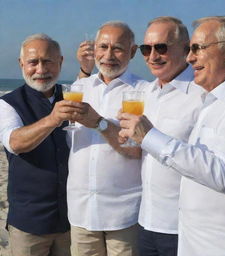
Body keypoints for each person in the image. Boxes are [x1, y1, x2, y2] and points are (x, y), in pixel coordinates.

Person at [119, 16, 225, 255]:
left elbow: (223, 172)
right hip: (190, 239)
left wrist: (150, 136)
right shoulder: (214, 100)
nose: (191, 57)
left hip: (224, 246)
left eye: (198, 49)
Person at [66, 21, 145, 256]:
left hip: (123, 213)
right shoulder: (80, 86)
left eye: (118, 48)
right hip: (81, 211)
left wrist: (99, 123)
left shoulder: (144, 91)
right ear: (95, 49)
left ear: (132, 51)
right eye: (103, 47)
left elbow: (137, 149)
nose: (108, 55)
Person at [134, 17, 204, 256]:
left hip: (183, 227)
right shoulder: (145, 92)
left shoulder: (202, 94)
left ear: (186, 49)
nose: (153, 56)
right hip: (145, 220)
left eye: (161, 47)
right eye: (146, 49)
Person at [0, 34, 75, 256]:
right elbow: (15, 143)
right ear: (21, 64)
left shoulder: (73, 94)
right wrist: (53, 119)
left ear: (60, 62)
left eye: (48, 61)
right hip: (29, 223)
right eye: (33, 62)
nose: (41, 69)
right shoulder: (7, 104)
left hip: (73, 219)